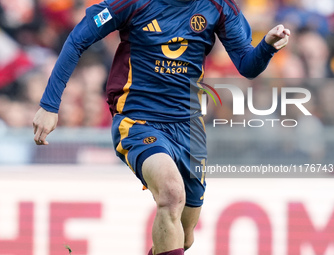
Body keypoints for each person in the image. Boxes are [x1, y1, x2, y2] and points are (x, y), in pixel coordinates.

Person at [33, 0, 290, 254]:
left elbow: (247, 65)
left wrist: (266, 46)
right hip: (138, 121)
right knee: (171, 193)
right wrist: (49, 105)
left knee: (184, 238)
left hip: (189, 128)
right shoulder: (133, 3)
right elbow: (78, 38)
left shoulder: (219, 6)